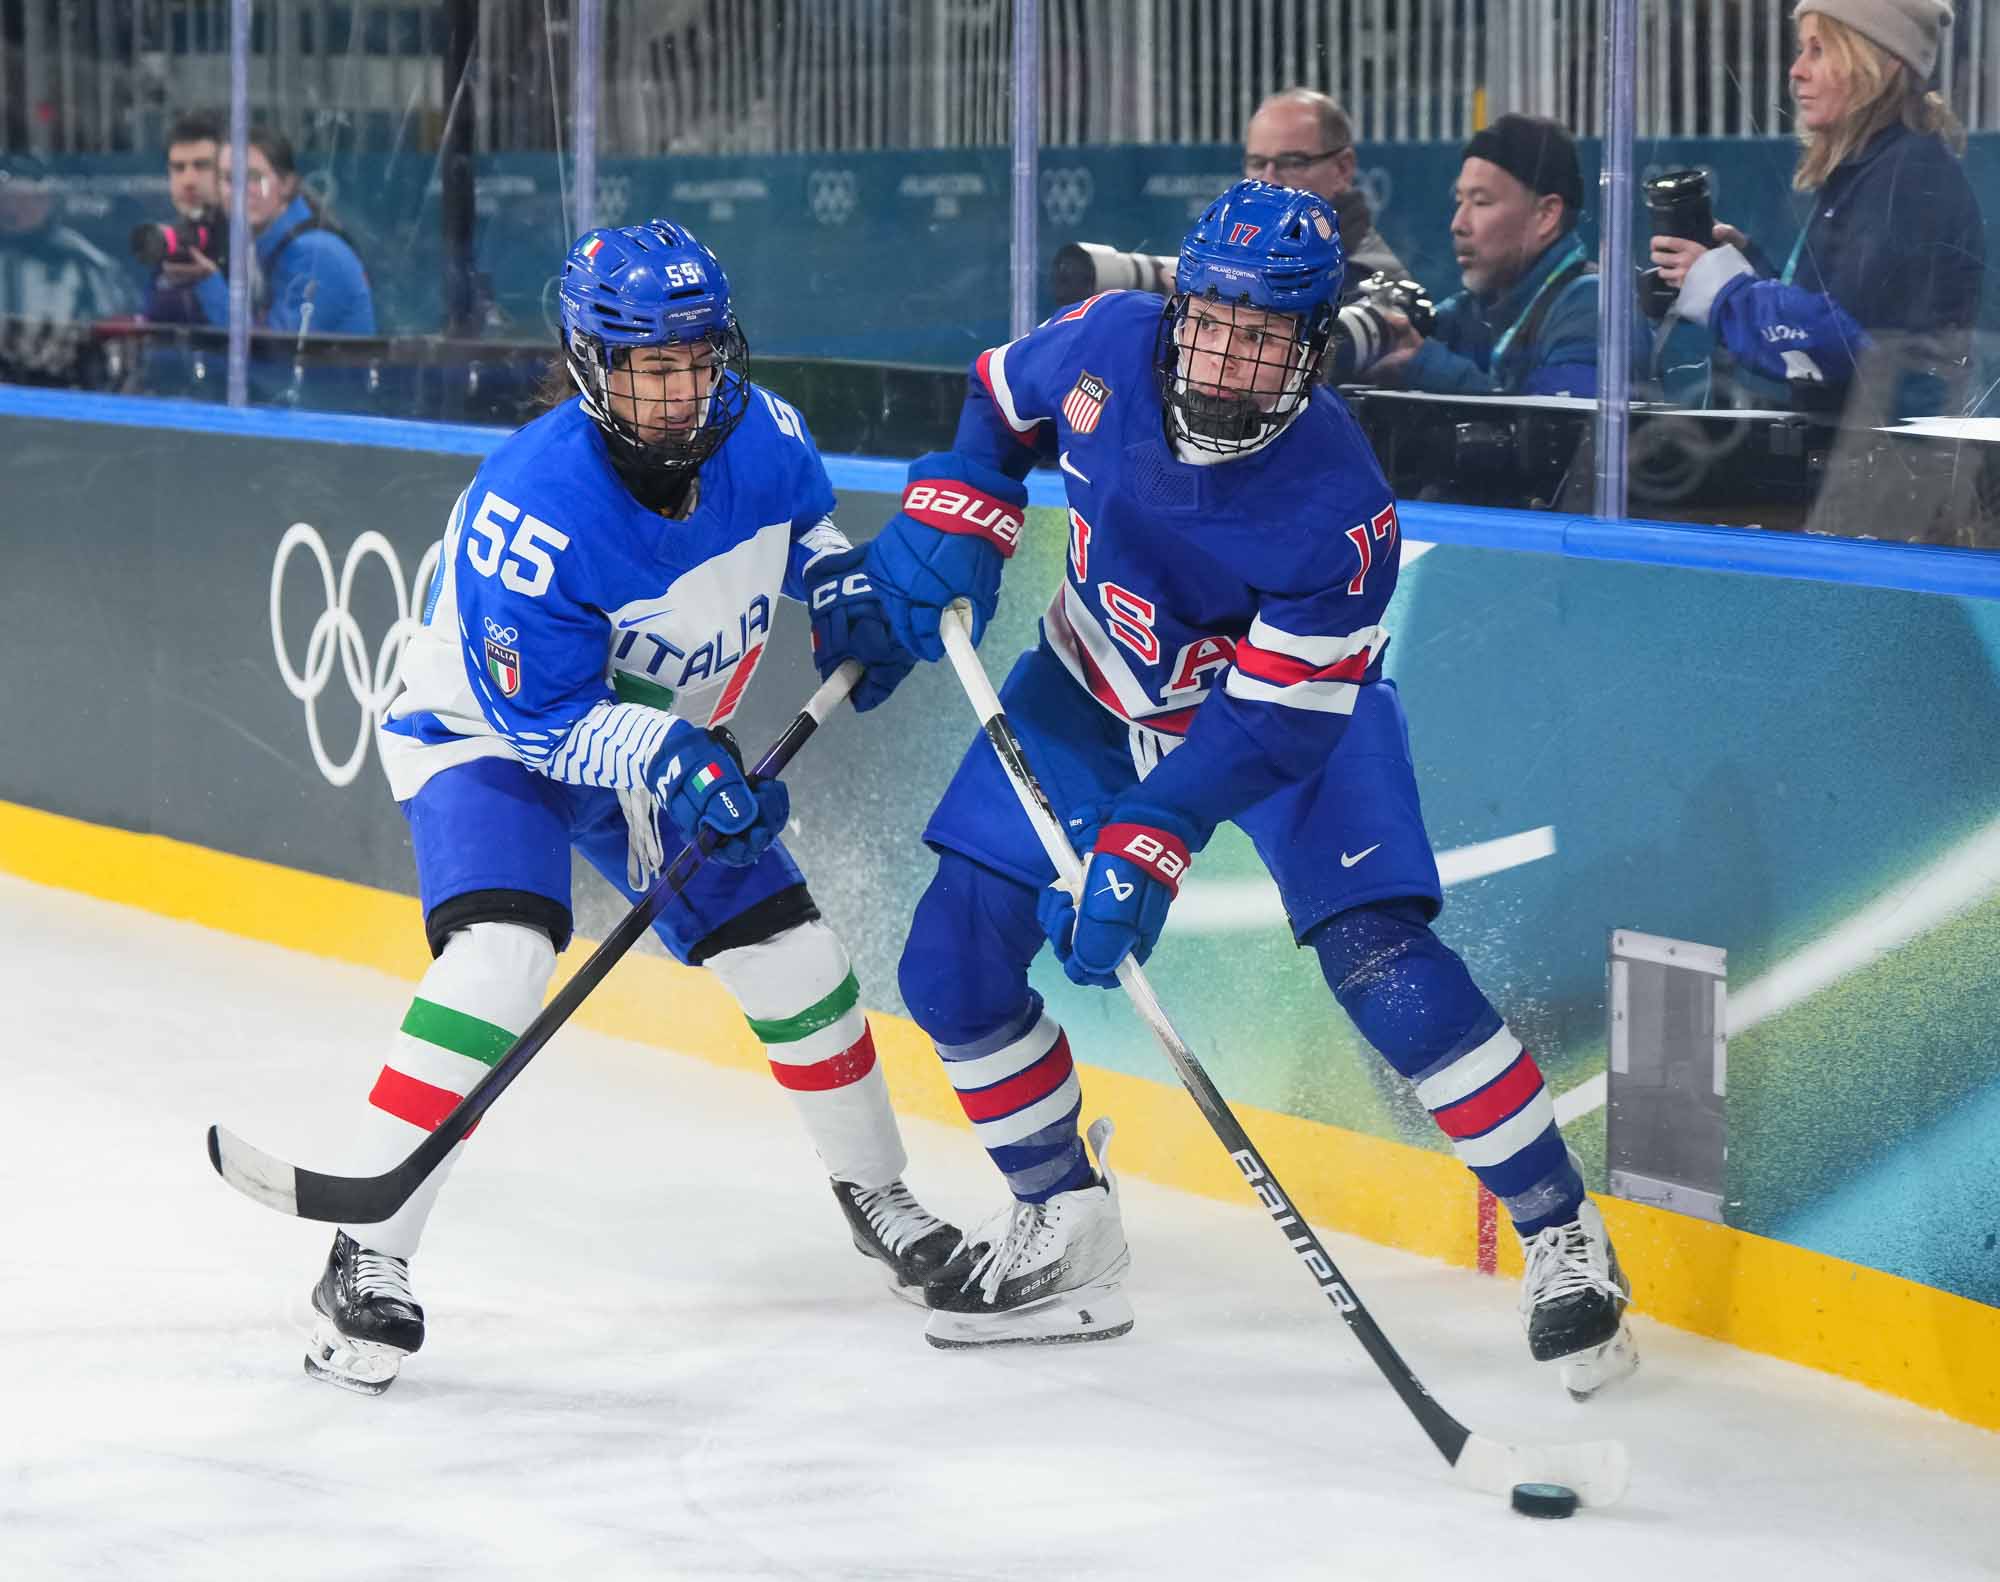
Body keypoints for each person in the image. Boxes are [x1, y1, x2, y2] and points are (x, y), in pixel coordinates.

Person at [820, 179, 1638, 1398]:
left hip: (1284, 720)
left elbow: (1273, 721)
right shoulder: (1101, 342)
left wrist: (1150, 835)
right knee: (949, 964)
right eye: (1210, 323)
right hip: (1092, 682)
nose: (1224, 359)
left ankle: (1560, 1231)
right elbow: (995, 399)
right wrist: (966, 509)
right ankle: (1065, 1222)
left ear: (1311, 348)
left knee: (1384, 968)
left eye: (1262, 338)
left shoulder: (1337, 508)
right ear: (1177, 306)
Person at [299, 219, 958, 1394]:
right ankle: (367, 1250)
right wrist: (678, 757)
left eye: (698, 358)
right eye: (651, 365)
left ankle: (877, 1192)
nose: (679, 388)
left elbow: (801, 526)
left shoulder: (766, 433)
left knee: (797, 961)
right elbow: (546, 725)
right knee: (500, 958)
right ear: (591, 364)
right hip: (489, 734)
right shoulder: (534, 506)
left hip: (657, 734)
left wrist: (835, 582)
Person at [1651, 1, 1982, 424]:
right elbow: (1838, 313)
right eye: (1801, 49)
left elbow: (1839, 345)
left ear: (1881, 64)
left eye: (1819, 50)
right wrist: (1749, 270)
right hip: (1870, 452)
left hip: (1888, 458)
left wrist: (1729, 292)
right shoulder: (1875, 167)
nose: (1796, 70)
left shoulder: (1906, 176)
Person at [1365, 114, 1604, 397]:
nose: (1458, 224)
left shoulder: (1594, 308)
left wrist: (1425, 366)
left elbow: (1559, 421)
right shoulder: (1469, 311)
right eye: (1459, 202)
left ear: (1546, 215)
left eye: (1481, 202)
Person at [179, 126, 376, 336]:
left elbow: (275, 349)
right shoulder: (266, 247)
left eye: (254, 177)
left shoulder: (314, 254)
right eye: (229, 179)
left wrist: (208, 283)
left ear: (286, 184)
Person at [1243, 87, 1407, 284]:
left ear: (1342, 169)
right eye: (1257, 164)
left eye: (1293, 163)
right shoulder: (1236, 264)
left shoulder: (1371, 284)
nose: (1269, 181)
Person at [0, 154, 134, 385]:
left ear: (47, 201)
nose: (12, 207)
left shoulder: (87, 264)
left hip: (63, 389)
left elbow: (119, 342)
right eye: (7, 197)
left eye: (25, 198)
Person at [141, 109, 224, 325]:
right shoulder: (171, 242)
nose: (188, 180)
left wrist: (211, 282)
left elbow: (264, 339)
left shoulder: (252, 243)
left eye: (202, 166)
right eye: (178, 168)